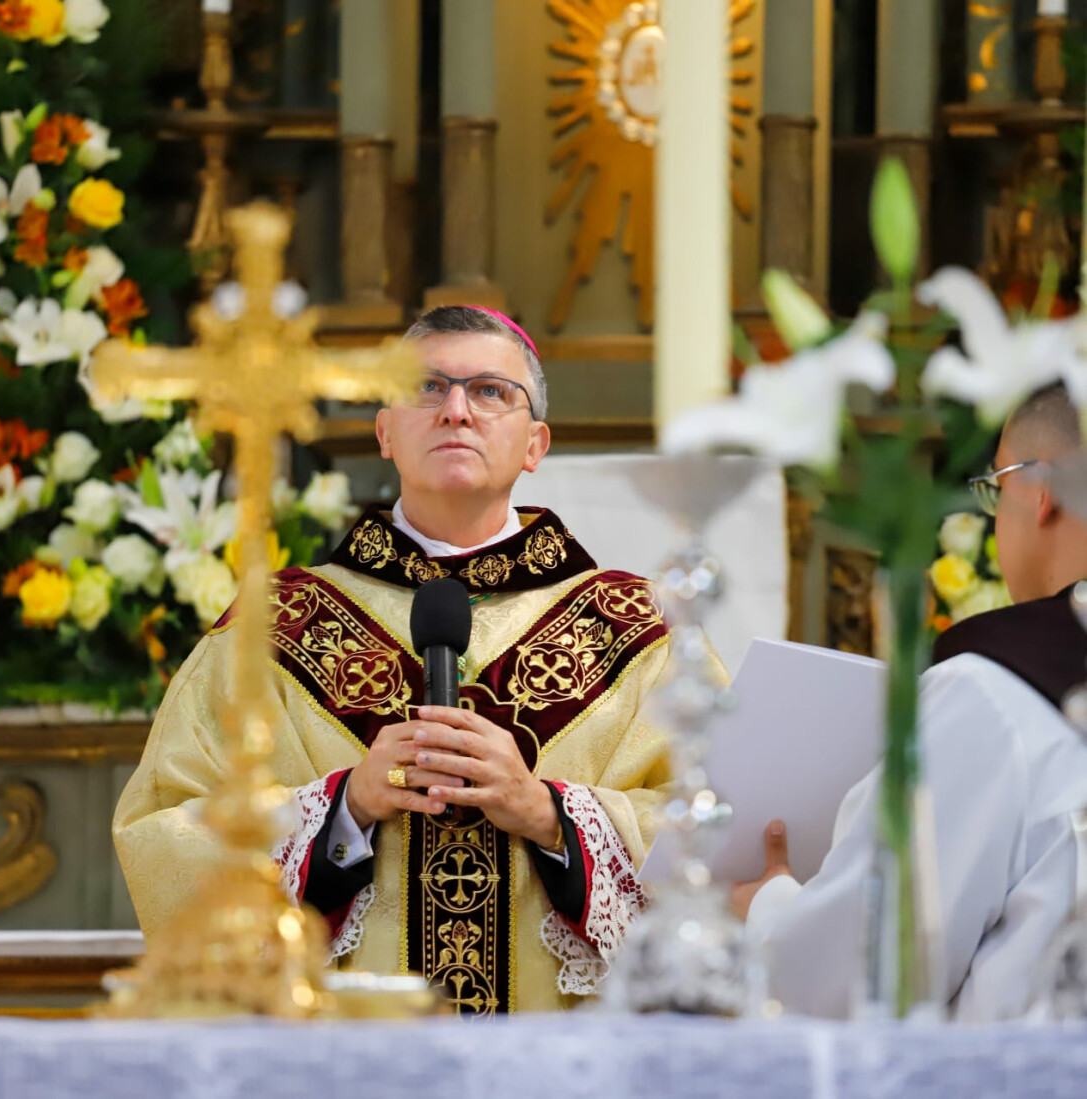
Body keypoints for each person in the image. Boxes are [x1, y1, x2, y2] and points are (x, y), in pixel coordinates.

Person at [114, 305, 692, 1016]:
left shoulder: (637, 629)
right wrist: (344, 807)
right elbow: (162, 831)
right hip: (343, 1056)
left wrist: (548, 812)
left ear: (535, 442)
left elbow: (723, 828)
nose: (456, 410)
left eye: (490, 391)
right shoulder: (270, 629)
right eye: (427, 388)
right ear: (384, 431)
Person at [733, 381, 1087, 1021]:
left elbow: (867, 975)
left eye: (994, 488)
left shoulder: (991, 694)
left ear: (1039, 493)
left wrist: (767, 906)